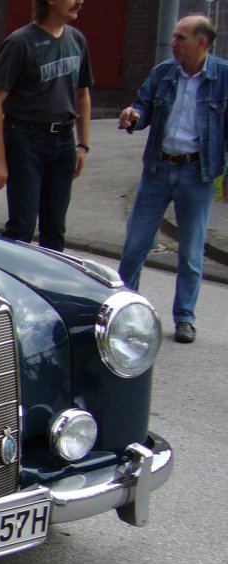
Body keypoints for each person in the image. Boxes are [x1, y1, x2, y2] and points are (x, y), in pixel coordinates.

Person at [117, 15, 228, 345]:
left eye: (180, 37)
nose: (173, 43)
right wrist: (132, 116)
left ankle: (185, 317)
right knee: (135, 246)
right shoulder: (163, 73)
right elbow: (142, 105)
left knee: (191, 252)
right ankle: (125, 310)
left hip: (197, 174)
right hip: (157, 171)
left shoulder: (223, 77)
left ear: (202, 43)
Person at [0, 0, 92, 252]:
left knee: (55, 228)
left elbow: (83, 94)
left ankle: (49, 288)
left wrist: (83, 144)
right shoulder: (20, 42)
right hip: (25, 139)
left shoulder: (77, 39)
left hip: (63, 140)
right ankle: (12, 284)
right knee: (22, 226)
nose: (80, 1)